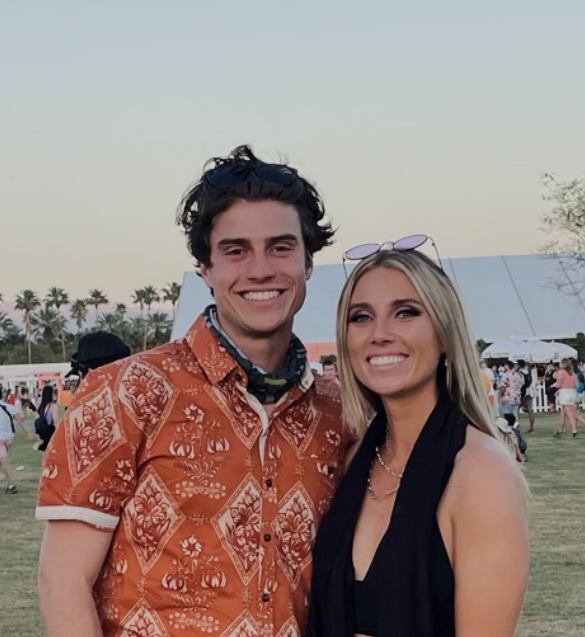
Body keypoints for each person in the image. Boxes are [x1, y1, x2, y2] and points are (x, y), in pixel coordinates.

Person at [36, 144, 351, 637]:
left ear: (308, 263)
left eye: (281, 247)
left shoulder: (337, 410)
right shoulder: (126, 392)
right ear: (206, 269)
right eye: (236, 250)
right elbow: (63, 580)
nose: (261, 269)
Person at [307, 249, 528, 636]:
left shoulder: (481, 474)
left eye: (406, 312)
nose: (379, 334)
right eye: (361, 317)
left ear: (444, 333)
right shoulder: (353, 457)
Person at [553, 358, 582, 438]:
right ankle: (563, 430)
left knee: (569, 414)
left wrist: (553, 386)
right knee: (571, 413)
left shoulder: (561, 372)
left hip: (565, 393)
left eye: (560, 363)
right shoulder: (572, 373)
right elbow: (576, 385)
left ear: (563, 364)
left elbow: (558, 384)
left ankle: (574, 430)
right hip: (573, 393)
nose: (559, 364)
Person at [0, 387, 20, 494]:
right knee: (2, 461)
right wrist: (29, 431)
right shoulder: (8, 406)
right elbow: (19, 419)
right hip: (9, 438)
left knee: (4, 462)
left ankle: (12, 485)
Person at [517, 359, 537, 432]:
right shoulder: (531, 372)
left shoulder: (520, 373)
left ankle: (516, 427)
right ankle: (532, 427)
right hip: (529, 392)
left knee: (516, 410)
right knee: (530, 410)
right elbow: (534, 382)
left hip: (522, 393)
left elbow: (520, 383)